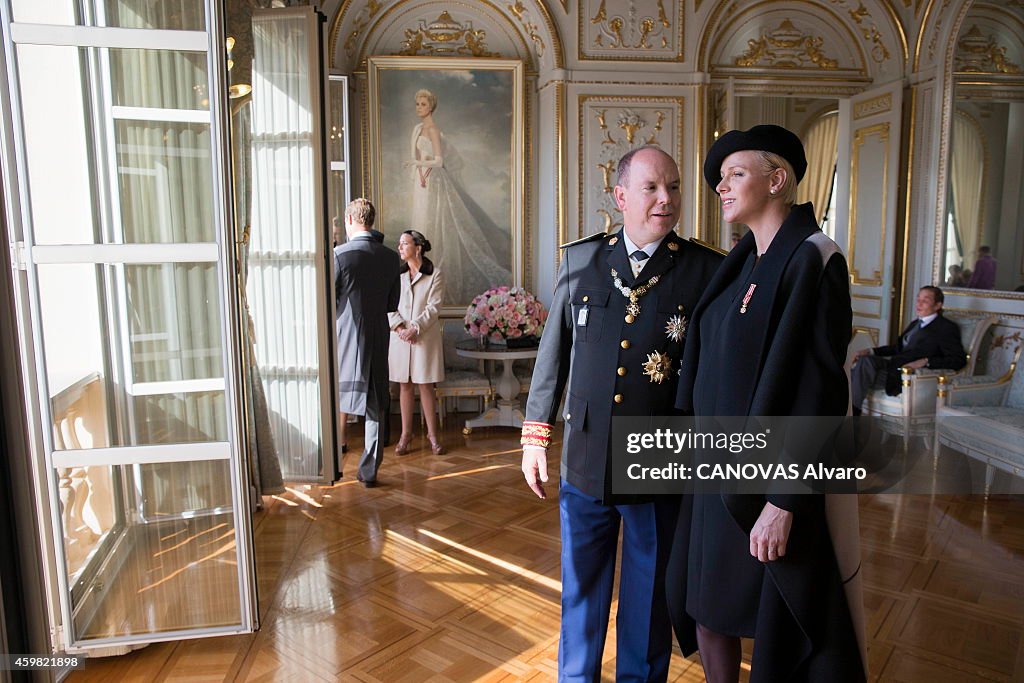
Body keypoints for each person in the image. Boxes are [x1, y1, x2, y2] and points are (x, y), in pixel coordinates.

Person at [668, 125, 865, 682]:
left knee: (778, 627)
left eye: (736, 174)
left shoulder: (813, 260)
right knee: (707, 612)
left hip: (764, 482)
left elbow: (820, 391)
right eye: (721, 179)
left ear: (777, 179)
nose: (722, 188)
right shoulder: (739, 263)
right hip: (712, 473)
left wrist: (783, 502)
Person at [520, 146, 723, 682]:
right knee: (581, 591)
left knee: (648, 595)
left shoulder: (706, 269)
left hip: (661, 460)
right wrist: (535, 437)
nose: (667, 199)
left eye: (674, 187)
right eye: (653, 187)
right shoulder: (581, 259)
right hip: (586, 455)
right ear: (621, 196)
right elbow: (553, 354)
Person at [405, 88, 511, 304]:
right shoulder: (417, 129)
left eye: (423, 104)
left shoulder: (433, 130)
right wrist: (418, 172)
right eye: (417, 104)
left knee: (439, 225)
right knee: (423, 222)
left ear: (431, 106)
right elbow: (417, 154)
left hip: (435, 180)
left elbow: (439, 161)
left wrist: (419, 165)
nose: (419, 108)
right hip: (423, 182)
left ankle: (437, 276)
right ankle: (421, 275)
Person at [334, 198, 401, 487]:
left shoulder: (340, 255)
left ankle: (333, 464)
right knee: (376, 402)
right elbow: (392, 302)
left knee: (336, 398)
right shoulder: (389, 258)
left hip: (344, 336)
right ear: (370, 222)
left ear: (350, 220)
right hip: (377, 335)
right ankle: (369, 470)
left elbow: (329, 299)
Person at [851, 285, 966, 414]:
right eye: (918, 299)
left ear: (937, 305)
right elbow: (898, 348)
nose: (919, 304)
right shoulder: (916, 324)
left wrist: (926, 361)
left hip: (907, 377)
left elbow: (958, 360)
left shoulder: (946, 328)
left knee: (856, 375)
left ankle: (851, 414)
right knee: (864, 361)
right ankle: (851, 413)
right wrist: (870, 351)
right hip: (892, 368)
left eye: (925, 300)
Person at [388, 230, 446, 456]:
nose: (400, 248)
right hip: (401, 338)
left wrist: (415, 328)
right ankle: (406, 435)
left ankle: (432, 436)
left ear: (418, 247)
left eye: (404, 244)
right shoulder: (396, 275)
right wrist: (401, 328)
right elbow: (389, 305)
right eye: (400, 244)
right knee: (404, 385)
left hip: (424, 339)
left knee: (425, 385)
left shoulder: (435, 274)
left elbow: (434, 307)